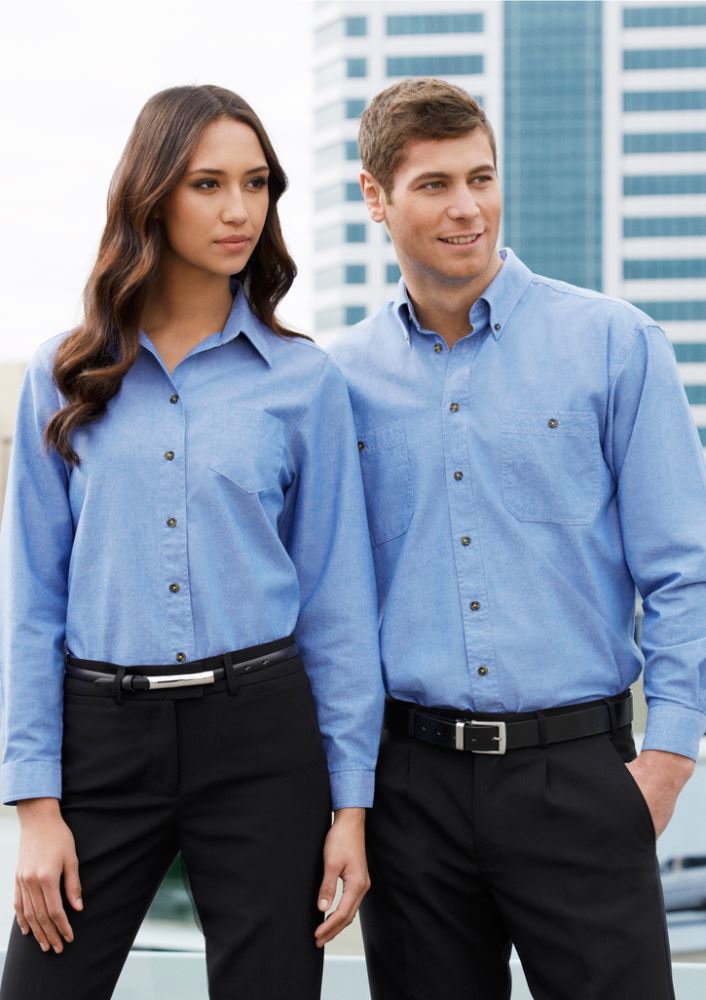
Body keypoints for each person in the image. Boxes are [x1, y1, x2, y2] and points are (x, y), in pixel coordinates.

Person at [0, 84, 384, 1000]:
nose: (239, 209)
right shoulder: (64, 379)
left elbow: (337, 603)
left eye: (256, 184)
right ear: (152, 194)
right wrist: (36, 809)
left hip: (262, 739)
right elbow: (32, 600)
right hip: (103, 739)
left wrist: (351, 807)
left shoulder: (304, 383)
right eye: (208, 183)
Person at [329, 77, 706, 1000]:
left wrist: (663, 768)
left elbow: (686, 572)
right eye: (433, 184)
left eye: (482, 177)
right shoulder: (336, 382)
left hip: (578, 779)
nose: (467, 208)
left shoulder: (617, 345)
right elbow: (328, 608)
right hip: (408, 788)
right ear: (375, 197)